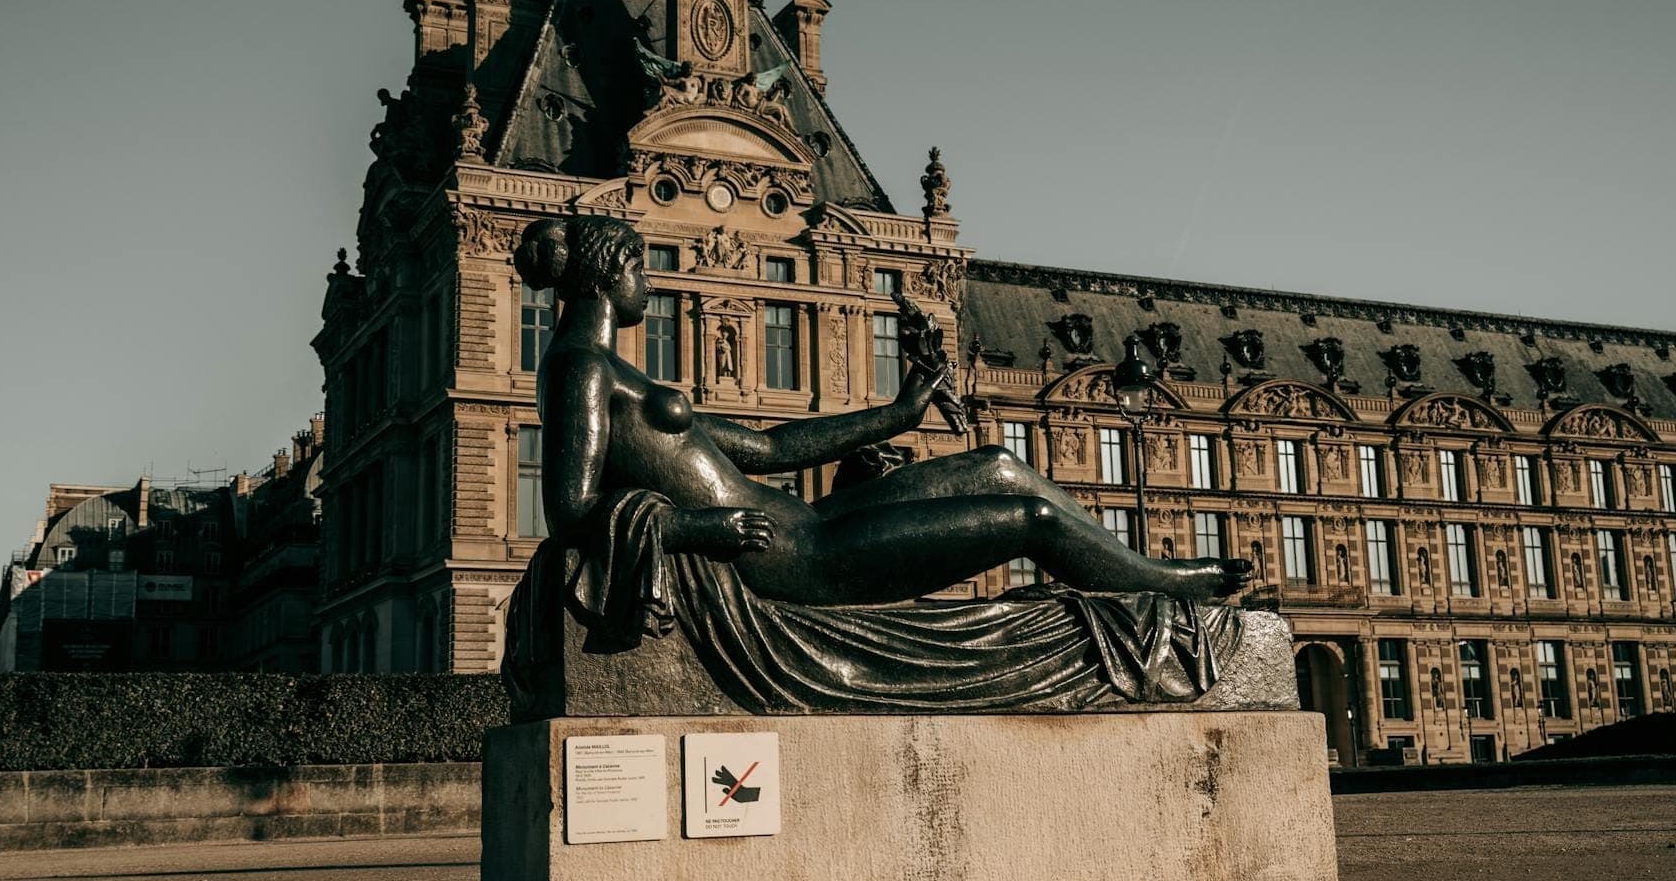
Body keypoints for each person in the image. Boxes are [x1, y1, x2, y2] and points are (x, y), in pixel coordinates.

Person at [516, 216, 1252, 607]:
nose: (649, 281)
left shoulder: (617, 372)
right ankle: (1166, 584)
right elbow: (572, 508)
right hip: (795, 557)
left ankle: (1148, 574)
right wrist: (698, 527)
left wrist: (899, 412)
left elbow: (771, 447)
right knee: (1033, 521)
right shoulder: (580, 367)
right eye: (643, 265)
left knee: (1000, 463)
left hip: (809, 524)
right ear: (612, 271)